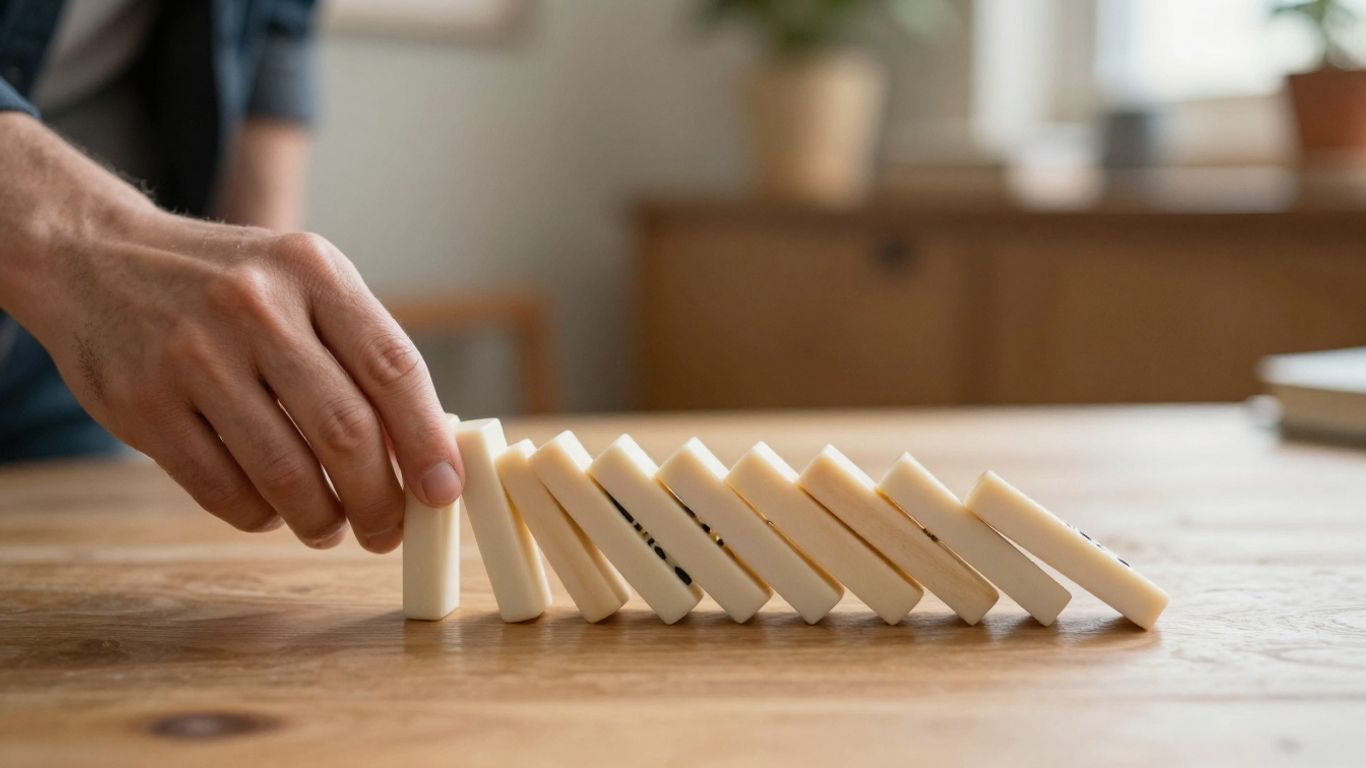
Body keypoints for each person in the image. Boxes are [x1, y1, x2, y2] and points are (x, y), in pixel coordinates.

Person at [0, 0, 464, 553]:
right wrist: (84, 249)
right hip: (84, 303)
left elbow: (276, 22)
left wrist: (265, 328)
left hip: (74, 358)